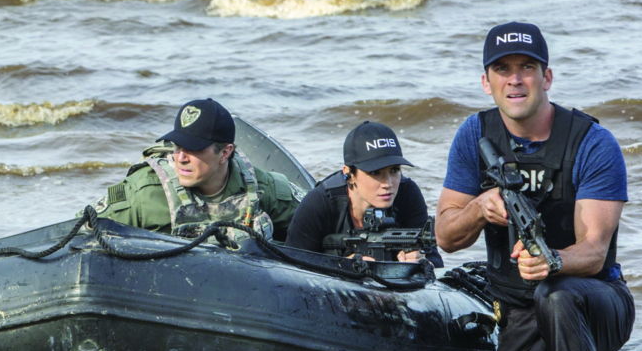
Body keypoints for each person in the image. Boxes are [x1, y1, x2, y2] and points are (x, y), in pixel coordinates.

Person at [434, 22, 642, 351]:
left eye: (526, 68)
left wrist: (552, 261)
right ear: (487, 82)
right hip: (517, 310)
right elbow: (445, 235)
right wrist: (479, 208)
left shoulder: (592, 142)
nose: (515, 79)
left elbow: (594, 251)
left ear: (547, 77)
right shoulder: (473, 136)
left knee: (556, 296)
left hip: (595, 302)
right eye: (502, 69)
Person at [90, 98, 305, 241]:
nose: (181, 157)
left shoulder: (262, 189)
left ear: (225, 152)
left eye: (193, 149)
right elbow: (80, 232)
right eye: (177, 146)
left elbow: (321, 219)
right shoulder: (144, 193)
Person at [286, 121, 443, 266]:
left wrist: (422, 262)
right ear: (349, 174)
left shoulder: (407, 193)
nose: (387, 184)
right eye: (375, 172)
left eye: (394, 170)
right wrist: (341, 265)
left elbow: (435, 259)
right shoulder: (320, 203)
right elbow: (291, 268)